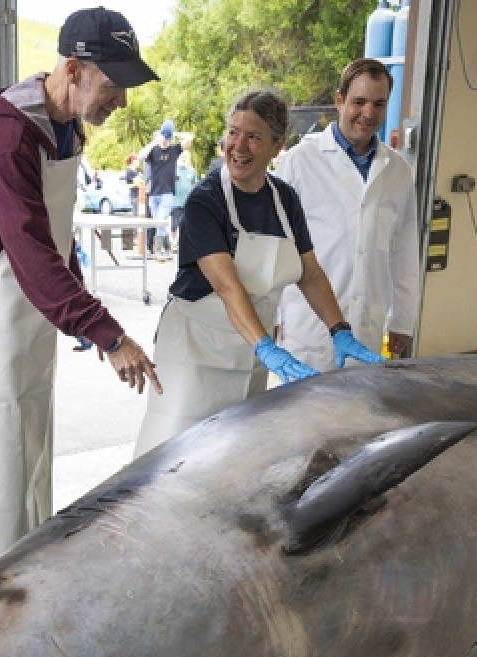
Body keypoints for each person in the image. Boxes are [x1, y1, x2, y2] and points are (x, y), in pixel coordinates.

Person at [0, 7, 163, 567]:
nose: (122, 101)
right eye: (114, 85)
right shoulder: (11, 136)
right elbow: (30, 250)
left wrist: (78, 304)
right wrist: (107, 333)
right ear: (73, 69)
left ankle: (21, 583)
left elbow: (54, 238)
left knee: (29, 460)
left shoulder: (65, 129)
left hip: (28, 316)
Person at [133, 90, 380, 457]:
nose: (239, 145)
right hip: (196, 351)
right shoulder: (206, 201)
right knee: (174, 457)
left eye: (253, 136)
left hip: (249, 354)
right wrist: (269, 349)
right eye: (233, 133)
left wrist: (339, 330)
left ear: (278, 144)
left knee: (232, 458)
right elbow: (226, 285)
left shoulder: (285, 199)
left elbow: (309, 273)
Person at [275, 58, 422, 368]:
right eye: (358, 102)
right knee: (303, 413)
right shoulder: (299, 164)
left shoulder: (398, 172)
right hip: (307, 329)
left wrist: (403, 319)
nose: (368, 114)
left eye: (378, 104)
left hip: (367, 326)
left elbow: (404, 251)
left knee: (358, 413)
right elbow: (276, 246)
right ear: (339, 100)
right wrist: (273, 315)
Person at [143, 120, 184, 257]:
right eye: (164, 137)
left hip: (167, 192)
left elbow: (190, 139)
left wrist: (175, 134)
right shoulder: (153, 150)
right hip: (154, 192)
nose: (166, 140)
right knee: (158, 223)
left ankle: (158, 250)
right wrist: (155, 141)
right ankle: (167, 249)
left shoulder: (174, 150)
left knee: (161, 221)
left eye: (168, 138)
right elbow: (141, 155)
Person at [171, 148, 198, 252]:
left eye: (185, 157)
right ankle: (174, 243)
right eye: (182, 157)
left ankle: (183, 243)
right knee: (174, 224)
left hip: (187, 202)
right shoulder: (173, 169)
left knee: (185, 224)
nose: (183, 159)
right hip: (175, 201)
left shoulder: (192, 171)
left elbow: (194, 185)